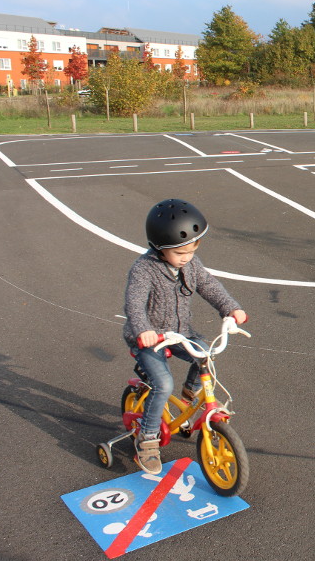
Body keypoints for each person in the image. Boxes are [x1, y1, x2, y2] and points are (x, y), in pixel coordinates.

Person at [123, 198, 247, 474]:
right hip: (150, 340)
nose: (187, 257)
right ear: (159, 247)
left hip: (180, 334)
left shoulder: (190, 265)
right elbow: (134, 304)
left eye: (192, 249)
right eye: (180, 252)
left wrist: (231, 308)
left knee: (205, 354)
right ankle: (148, 438)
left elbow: (208, 285)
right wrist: (143, 331)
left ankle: (190, 394)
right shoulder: (144, 270)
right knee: (163, 384)